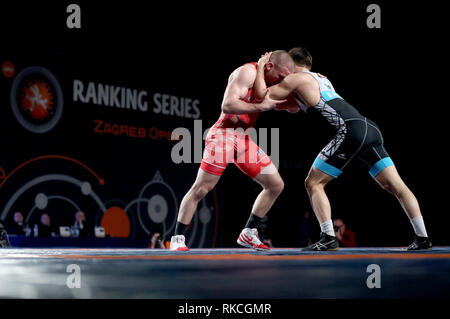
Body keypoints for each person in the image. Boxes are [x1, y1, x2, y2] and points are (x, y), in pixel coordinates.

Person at [254, 49, 431, 251]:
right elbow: (289, 106)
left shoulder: (296, 78)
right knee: (396, 186)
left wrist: (260, 66)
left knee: (313, 183)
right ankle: (423, 237)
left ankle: (328, 237)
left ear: (290, 65)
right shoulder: (321, 79)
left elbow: (262, 96)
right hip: (369, 128)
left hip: (351, 131)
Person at [170, 51, 296, 251]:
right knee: (201, 189)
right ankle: (177, 238)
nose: (280, 81)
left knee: (275, 185)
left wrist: (312, 82)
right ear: (270, 66)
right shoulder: (247, 72)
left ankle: (248, 233)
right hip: (223, 135)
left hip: (243, 139)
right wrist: (261, 107)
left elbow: (292, 107)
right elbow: (227, 105)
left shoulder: (268, 82)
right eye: (280, 77)